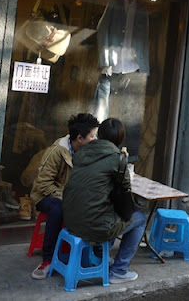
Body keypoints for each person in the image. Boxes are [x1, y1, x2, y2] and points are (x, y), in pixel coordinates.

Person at [62, 118, 147, 283]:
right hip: (93, 225)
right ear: (120, 139)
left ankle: (101, 257)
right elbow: (125, 189)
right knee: (140, 218)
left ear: (99, 135)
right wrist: (123, 161)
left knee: (108, 211)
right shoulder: (118, 158)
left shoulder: (81, 152)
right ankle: (119, 270)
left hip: (70, 220)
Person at [30, 113, 100, 279]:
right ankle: (47, 259)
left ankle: (94, 254)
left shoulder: (87, 150)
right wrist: (68, 198)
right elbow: (43, 184)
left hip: (71, 195)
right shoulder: (56, 152)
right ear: (80, 138)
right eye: (92, 135)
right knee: (58, 209)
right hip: (46, 196)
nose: (95, 139)